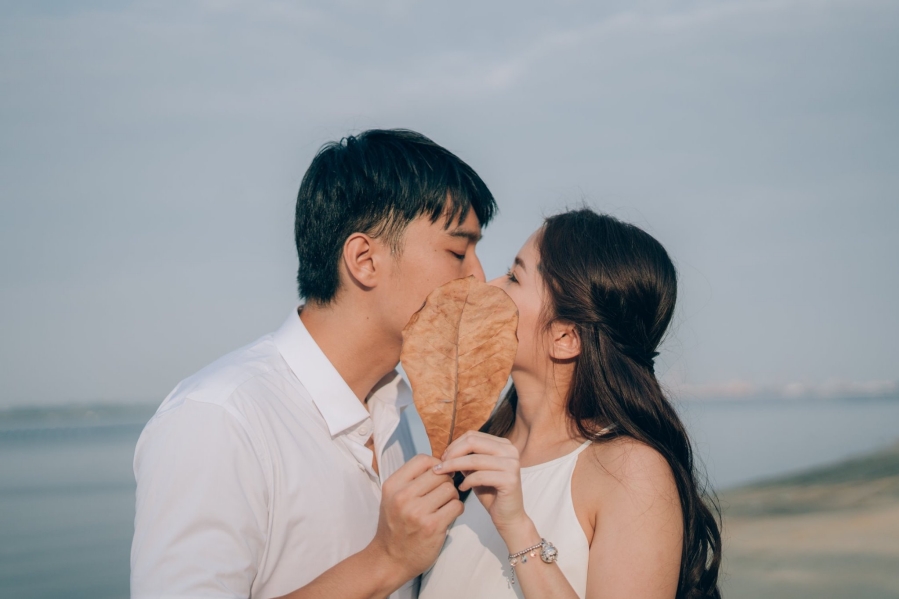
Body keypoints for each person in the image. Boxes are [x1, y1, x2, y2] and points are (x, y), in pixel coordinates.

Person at [131, 129, 497, 599]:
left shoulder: (394, 410)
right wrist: (385, 561)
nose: (480, 277)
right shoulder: (219, 420)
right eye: (458, 252)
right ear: (364, 259)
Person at [419, 209, 722, 599]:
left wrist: (518, 529)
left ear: (565, 337)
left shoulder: (629, 470)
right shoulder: (479, 444)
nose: (490, 284)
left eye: (514, 276)